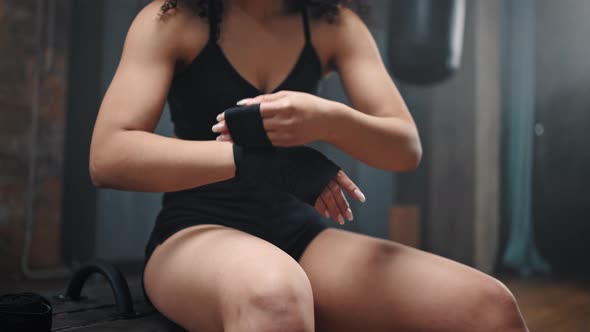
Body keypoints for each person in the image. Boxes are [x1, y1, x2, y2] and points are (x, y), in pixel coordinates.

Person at [89, 0, 530, 331]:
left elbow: (405, 148)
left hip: (300, 235)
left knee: (489, 307)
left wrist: (329, 118)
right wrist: (254, 162)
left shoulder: (333, 24)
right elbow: (108, 156)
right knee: (275, 293)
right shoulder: (172, 19)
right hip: (194, 232)